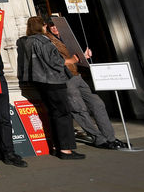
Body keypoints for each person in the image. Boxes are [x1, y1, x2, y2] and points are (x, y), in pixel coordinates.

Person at [45, 21, 123, 149]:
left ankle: (110, 138)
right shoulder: (48, 40)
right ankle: (99, 139)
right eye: (51, 26)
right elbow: (54, 61)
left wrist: (83, 56)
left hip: (77, 75)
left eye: (56, 25)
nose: (54, 28)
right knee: (79, 109)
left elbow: (75, 55)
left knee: (97, 104)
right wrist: (72, 60)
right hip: (65, 77)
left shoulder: (67, 37)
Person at [16, 16, 84, 160]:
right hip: (53, 80)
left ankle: (55, 146)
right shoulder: (43, 41)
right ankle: (65, 149)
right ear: (41, 26)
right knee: (63, 113)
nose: (46, 27)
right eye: (45, 25)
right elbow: (53, 60)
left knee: (53, 113)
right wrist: (72, 60)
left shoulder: (27, 42)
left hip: (40, 81)